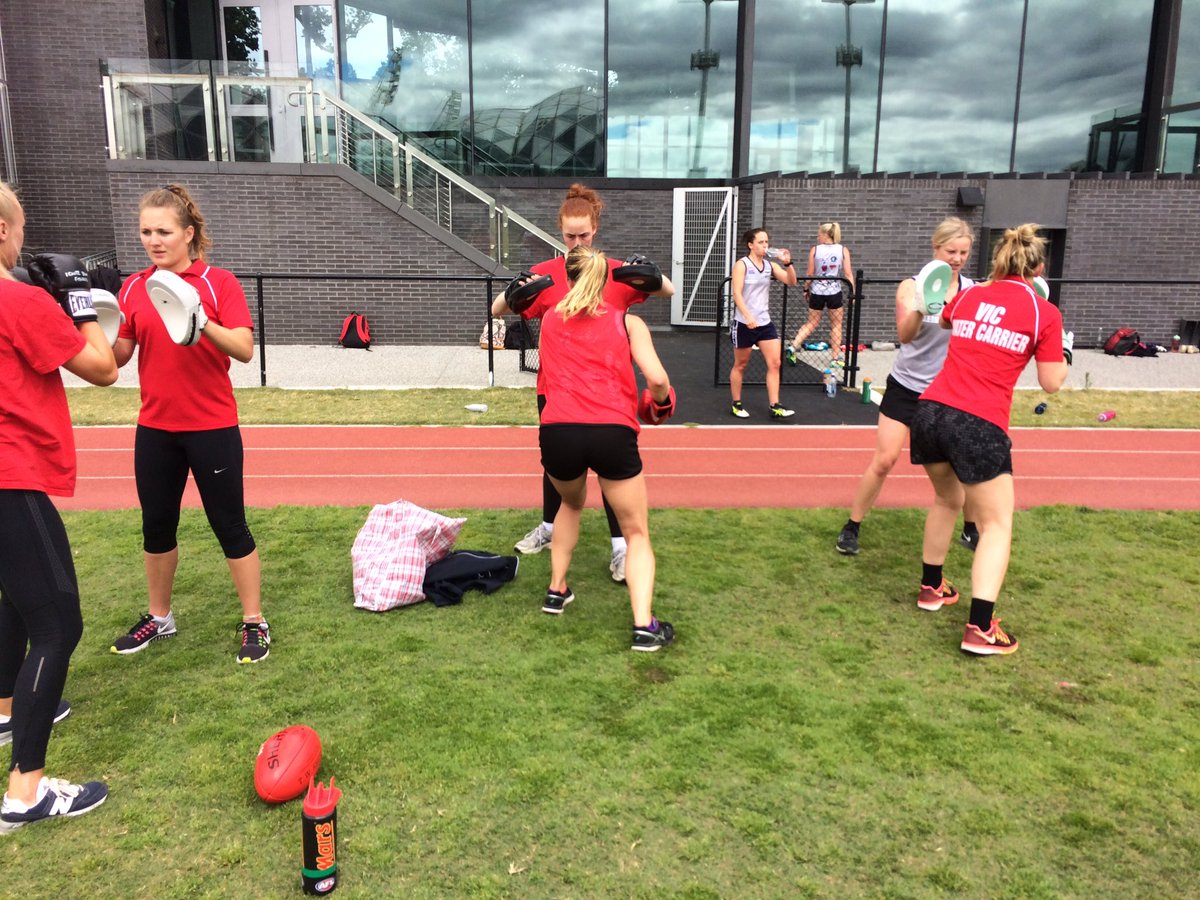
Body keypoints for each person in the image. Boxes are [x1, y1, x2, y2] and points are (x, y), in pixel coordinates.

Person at [108, 184, 270, 663]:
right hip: (156, 428)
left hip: (212, 426)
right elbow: (116, 359)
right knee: (156, 526)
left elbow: (243, 350)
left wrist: (201, 320)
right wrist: (91, 318)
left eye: (164, 230)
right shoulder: (135, 287)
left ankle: (254, 622)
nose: (154, 240)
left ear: (188, 233)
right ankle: (159, 617)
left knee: (230, 526)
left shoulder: (219, 283)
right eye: (145, 231)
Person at [0, 182, 118, 831]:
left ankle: (3, 711)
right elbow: (103, 367)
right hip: (9, 473)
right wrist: (77, 302)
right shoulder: (16, 299)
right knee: (58, 625)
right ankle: (27, 794)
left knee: (13, 600)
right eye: (20, 231)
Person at [493, 183, 674, 582]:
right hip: (556, 389)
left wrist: (653, 273)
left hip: (610, 388)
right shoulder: (546, 274)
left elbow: (668, 291)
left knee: (614, 471)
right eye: (570, 236)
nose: (577, 242)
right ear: (560, 231)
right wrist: (512, 291)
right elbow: (497, 308)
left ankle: (621, 548)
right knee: (556, 462)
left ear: (595, 229)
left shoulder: (613, 271)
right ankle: (548, 528)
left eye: (584, 235)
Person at [909, 224, 1069, 655]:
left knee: (947, 500)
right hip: (977, 421)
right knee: (997, 523)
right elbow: (1052, 382)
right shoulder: (1043, 312)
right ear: (1037, 268)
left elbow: (944, 318)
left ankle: (932, 588)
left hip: (929, 410)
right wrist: (1065, 352)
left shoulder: (972, 294)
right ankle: (980, 628)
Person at [516, 245, 674, 650]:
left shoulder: (550, 318)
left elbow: (506, 307)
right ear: (607, 280)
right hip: (611, 430)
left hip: (557, 431)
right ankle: (644, 627)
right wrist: (661, 402)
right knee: (636, 532)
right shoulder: (627, 321)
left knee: (569, 504)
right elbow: (656, 381)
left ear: (567, 279)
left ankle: (556, 590)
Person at [836, 218, 980, 558]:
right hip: (907, 387)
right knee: (884, 460)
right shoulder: (910, 286)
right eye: (950, 251)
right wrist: (923, 305)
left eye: (963, 252)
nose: (957, 259)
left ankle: (971, 528)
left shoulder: (974, 291)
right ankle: (852, 526)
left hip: (949, 391)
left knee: (962, 464)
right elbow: (904, 335)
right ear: (935, 248)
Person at [728, 227, 798, 419]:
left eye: (766, 242)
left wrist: (788, 263)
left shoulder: (769, 265)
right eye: (761, 242)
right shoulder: (742, 264)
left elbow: (791, 282)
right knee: (741, 365)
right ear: (751, 245)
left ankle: (775, 405)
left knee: (775, 363)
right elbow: (736, 293)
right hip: (744, 323)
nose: (765, 245)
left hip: (764, 322)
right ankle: (736, 403)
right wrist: (747, 316)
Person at [785, 222, 854, 367]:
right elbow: (848, 273)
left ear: (825, 234)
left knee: (811, 322)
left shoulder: (815, 250)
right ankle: (835, 359)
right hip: (834, 292)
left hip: (817, 291)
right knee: (836, 325)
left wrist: (805, 288)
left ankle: (793, 346)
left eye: (819, 234)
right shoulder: (842, 250)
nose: (818, 237)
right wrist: (852, 291)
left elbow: (810, 273)